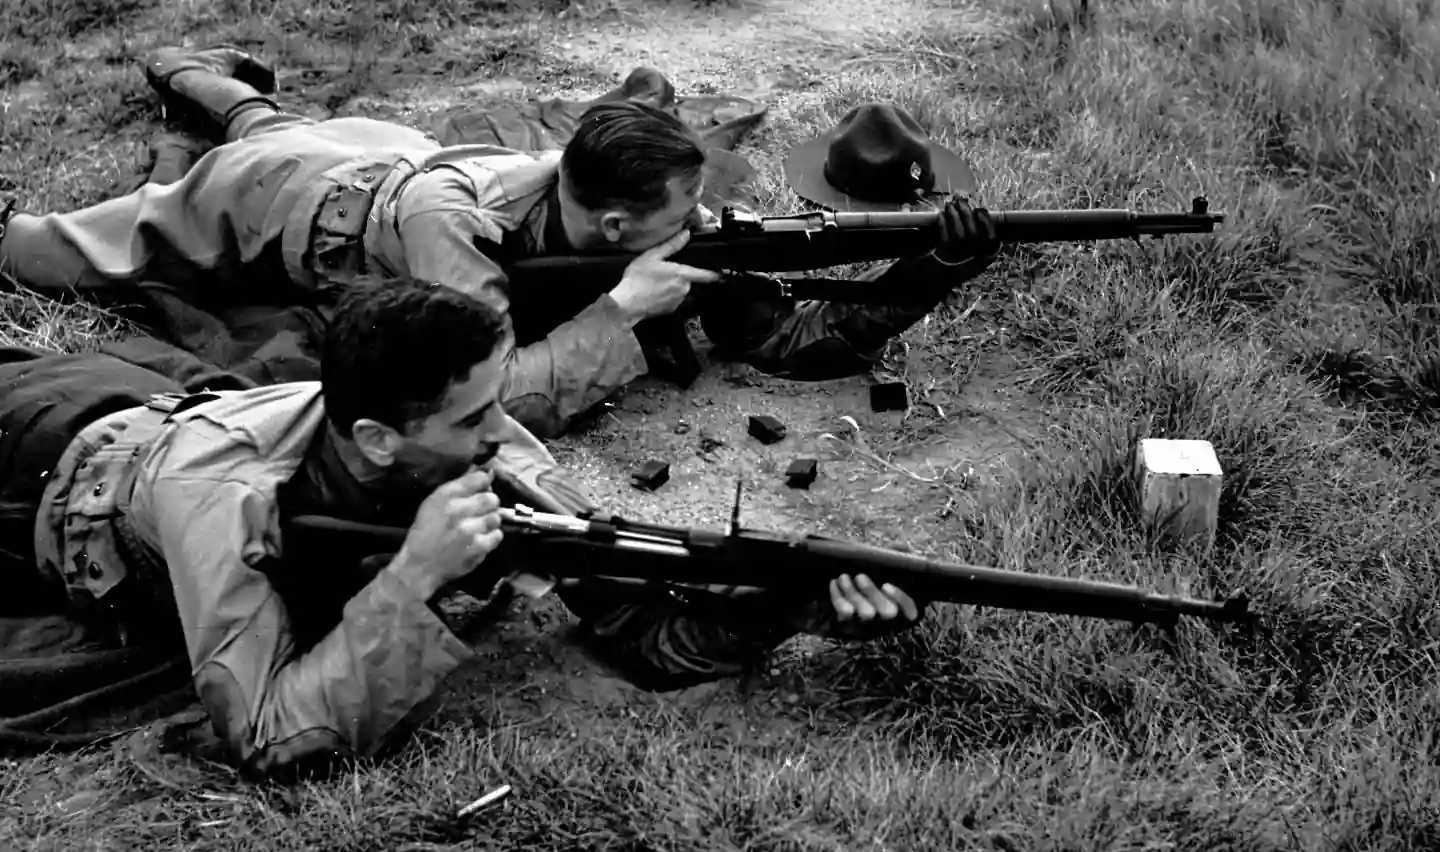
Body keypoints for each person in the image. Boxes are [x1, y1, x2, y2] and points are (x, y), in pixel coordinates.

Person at [0, 276, 926, 779]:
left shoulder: (461, 443)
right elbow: (268, 738)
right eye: (472, 418)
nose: (504, 435)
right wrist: (411, 581)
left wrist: (786, 609)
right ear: (377, 435)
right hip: (39, 466)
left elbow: (631, 617)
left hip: (144, 401)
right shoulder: (227, 503)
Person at [0, 47, 1001, 438]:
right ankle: (188, 76)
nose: (695, 233)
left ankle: (199, 74)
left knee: (272, 119)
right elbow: (494, 393)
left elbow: (794, 341)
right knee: (52, 252)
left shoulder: (606, 190)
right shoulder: (455, 230)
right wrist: (618, 315)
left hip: (384, 150)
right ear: (613, 225)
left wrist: (937, 264)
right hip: (280, 206)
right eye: (675, 220)